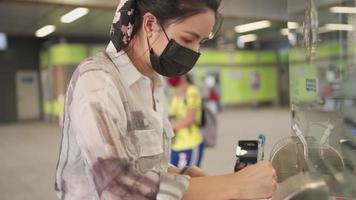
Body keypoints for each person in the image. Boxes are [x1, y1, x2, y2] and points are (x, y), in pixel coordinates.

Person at [55, 0, 278, 199]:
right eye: (188, 39)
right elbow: (117, 188)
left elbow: (144, 166)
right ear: (150, 25)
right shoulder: (98, 82)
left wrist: (182, 174)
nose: (195, 52)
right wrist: (235, 185)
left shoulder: (152, 83)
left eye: (201, 42)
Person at [168, 75, 205, 168]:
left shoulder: (191, 91)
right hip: (175, 145)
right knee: (175, 178)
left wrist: (169, 126)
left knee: (190, 178)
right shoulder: (175, 92)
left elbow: (190, 119)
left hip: (190, 144)